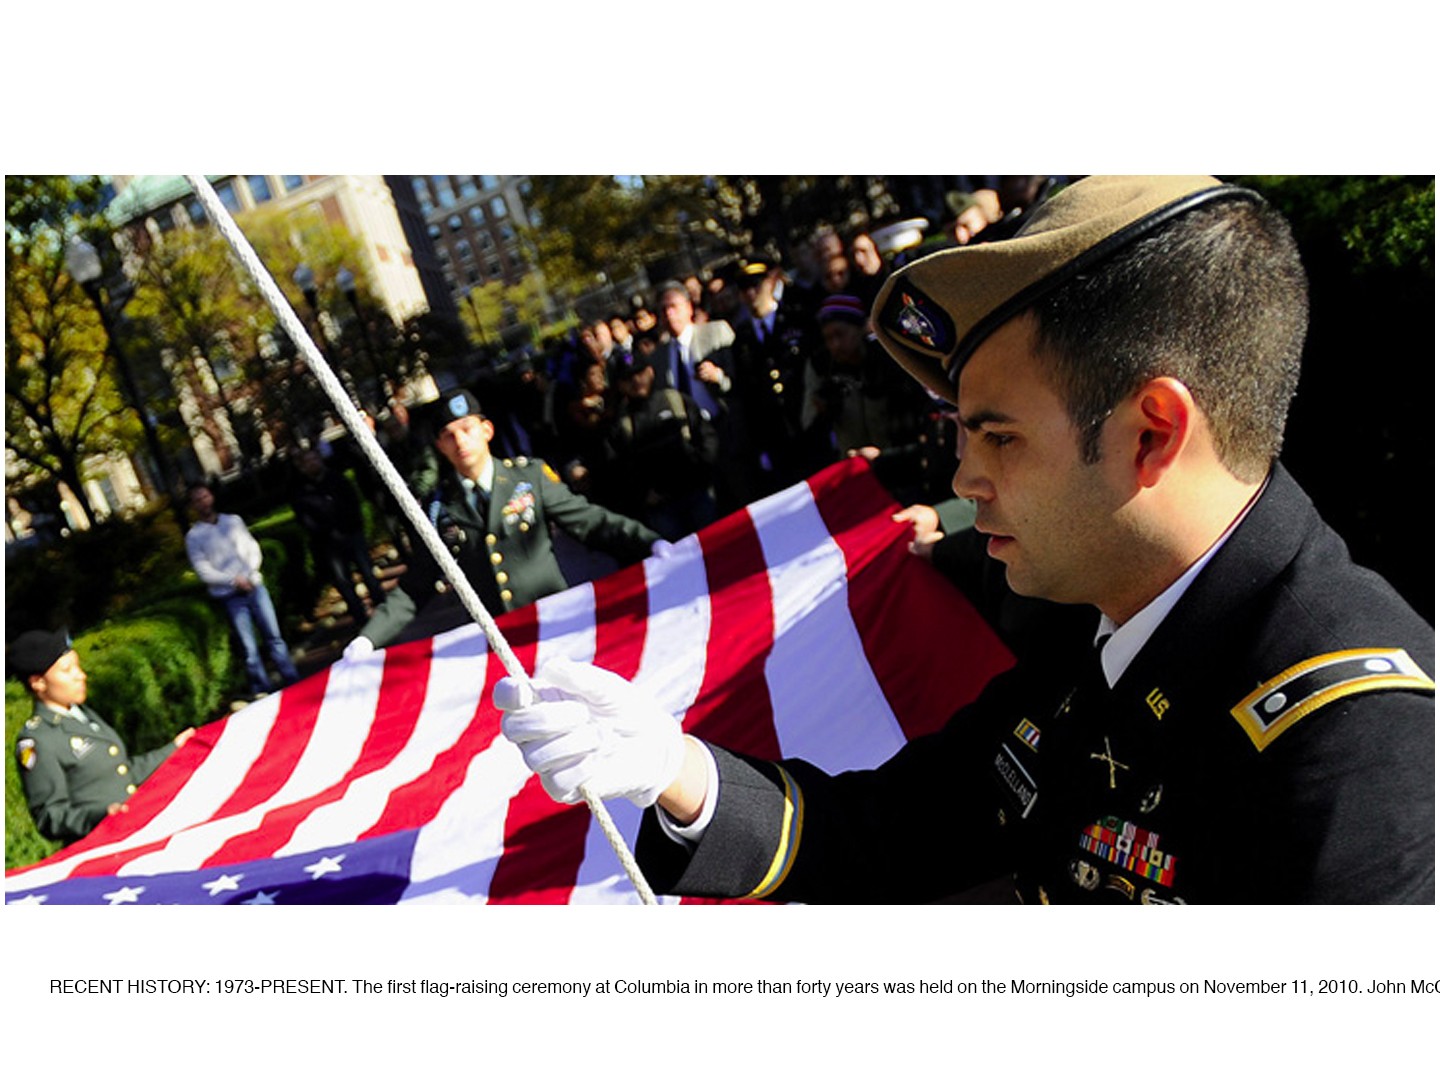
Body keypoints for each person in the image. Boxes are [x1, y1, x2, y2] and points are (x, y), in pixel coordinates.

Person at [496, 175, 1435, 904]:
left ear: (1152, 431)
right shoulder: (1101, 629)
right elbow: (886, 829)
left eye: (999, 436)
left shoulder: (1362, 745)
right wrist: (680, 773)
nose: (962, 482)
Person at [345, 388, 662, 653]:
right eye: (448, 435)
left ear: (487, 430)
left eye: (467, 429)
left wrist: (652, 543)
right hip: (500, 646)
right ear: (440, 447)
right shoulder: (439, 508)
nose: (460, 442)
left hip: (558, 625)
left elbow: (592, 523)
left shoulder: (529, 477)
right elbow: (416, 586)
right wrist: (367, 639)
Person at [9, 627, 195, 844]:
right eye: (67, 670)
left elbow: (123, 773)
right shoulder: (38, 740)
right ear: (38, 682)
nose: (81, 675)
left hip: (133, 833)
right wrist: (100, 815)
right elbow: (50, 816)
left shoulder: (82, 714)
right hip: (100, 847)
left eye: (77, 666)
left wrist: (174, 749)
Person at [185, 482, 300, 697]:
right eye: (197, 500)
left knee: (274, 636)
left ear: (211, 496)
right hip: (230, 595)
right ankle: (261, 688)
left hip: (254, 586)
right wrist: (233, 580)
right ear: (192, 505)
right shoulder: (194, 536)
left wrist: (248, 574)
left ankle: (291, 678)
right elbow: (203, 570)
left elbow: (252, 549)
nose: (203, 502)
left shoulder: (233, 521)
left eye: (205, 496)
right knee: (249, 647)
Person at [607, 351, 719, 541]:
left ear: (650, 371)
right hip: (662, 507)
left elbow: (706, 436)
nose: (636, 381)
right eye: (628, 378)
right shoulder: (621, 423)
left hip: (697, 494)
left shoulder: (675, 400)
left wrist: (702, 470)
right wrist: (643, 494)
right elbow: (618, 466)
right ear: (620, 385)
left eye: (640, 373)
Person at [291, 447, 386, 624]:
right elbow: (305, 519)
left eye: (314, 459)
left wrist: (349, 526)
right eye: (308, 462)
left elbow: (353, 504)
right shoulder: (301, 491)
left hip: (351, 534)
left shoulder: (337, 479)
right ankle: (360, 618)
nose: (312, 464)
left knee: (367, 572)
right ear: (302, 467)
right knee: (343, 582)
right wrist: (327, 532)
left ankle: (383, 608)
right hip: (328, 544)